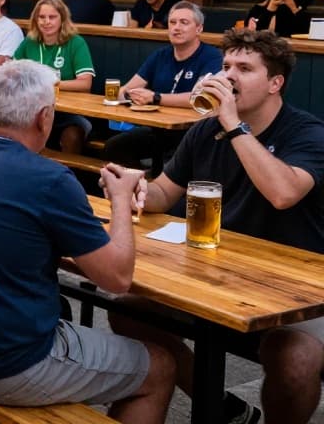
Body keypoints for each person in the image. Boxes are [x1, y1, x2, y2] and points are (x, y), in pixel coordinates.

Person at [0, 61, 176, 423]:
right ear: (44, 118)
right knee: (160, 366)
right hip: (4, 363)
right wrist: (120, 197)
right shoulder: (50, 179)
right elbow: (117, 279)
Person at [107, 29, 324, 424]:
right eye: (225, 66)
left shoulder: (306, 133)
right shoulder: (205, 131)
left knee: (294, 357)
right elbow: (162, 195)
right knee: (130, 310)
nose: (228, 76)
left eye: (244, 68)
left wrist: (234, 124)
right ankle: (223, 406)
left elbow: (283, 193)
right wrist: (133, 186)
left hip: (297, 289)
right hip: (220, 275)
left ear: (276, 83)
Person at [103, 2, 222, 169]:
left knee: (170, 163)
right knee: (113, 148)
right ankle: (139, 186)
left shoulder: (212, 56)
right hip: (158, 129)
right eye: (172, 23)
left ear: (199, 29)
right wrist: (130, 95)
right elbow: (125, 90)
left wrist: (155, 98)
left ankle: (156, 187)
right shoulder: (161, 55)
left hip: (191, 132)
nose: (176, 28)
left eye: (184, 22)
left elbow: (198, 98)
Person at [13, 0, 96, 153]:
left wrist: (48, 84)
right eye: (42, 17)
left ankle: (66, 176)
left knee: (72, 136)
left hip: (69, 114)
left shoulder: (76, 42)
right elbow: (12, 72)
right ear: (35, 20)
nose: (46, 22)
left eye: (52, 17)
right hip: (34, 111)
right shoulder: (29, 42)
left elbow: (85, 83)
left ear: (62, 19)